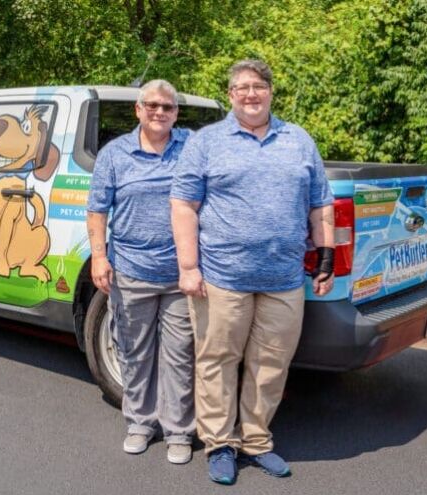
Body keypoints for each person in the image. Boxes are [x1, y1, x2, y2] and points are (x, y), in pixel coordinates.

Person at [170, 60, 335, 483]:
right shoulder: (207, 142)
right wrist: (188, 267)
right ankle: (220, 444)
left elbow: (321, 204)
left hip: (283, 279)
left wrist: (327, 256)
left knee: (271, 364)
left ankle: (257, 441)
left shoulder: (298, 140)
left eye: (258, 86)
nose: (250, 94)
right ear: (230, 95)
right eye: (241, 87)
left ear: (270, 91)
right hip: (222, 278)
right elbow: (183, 205)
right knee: (217, 362)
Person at [86, 79, 196, 464]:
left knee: (180, 355)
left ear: (176, 113)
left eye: (167, 107)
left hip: (180, 275)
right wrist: (99, 258)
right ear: (138, 109)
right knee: (135, 352)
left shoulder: (191, 149)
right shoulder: (114, 154)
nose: (159, 112)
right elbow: (97, 210)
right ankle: (140, 423)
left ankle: (179, 431)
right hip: (130, 271)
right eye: (152, 105)